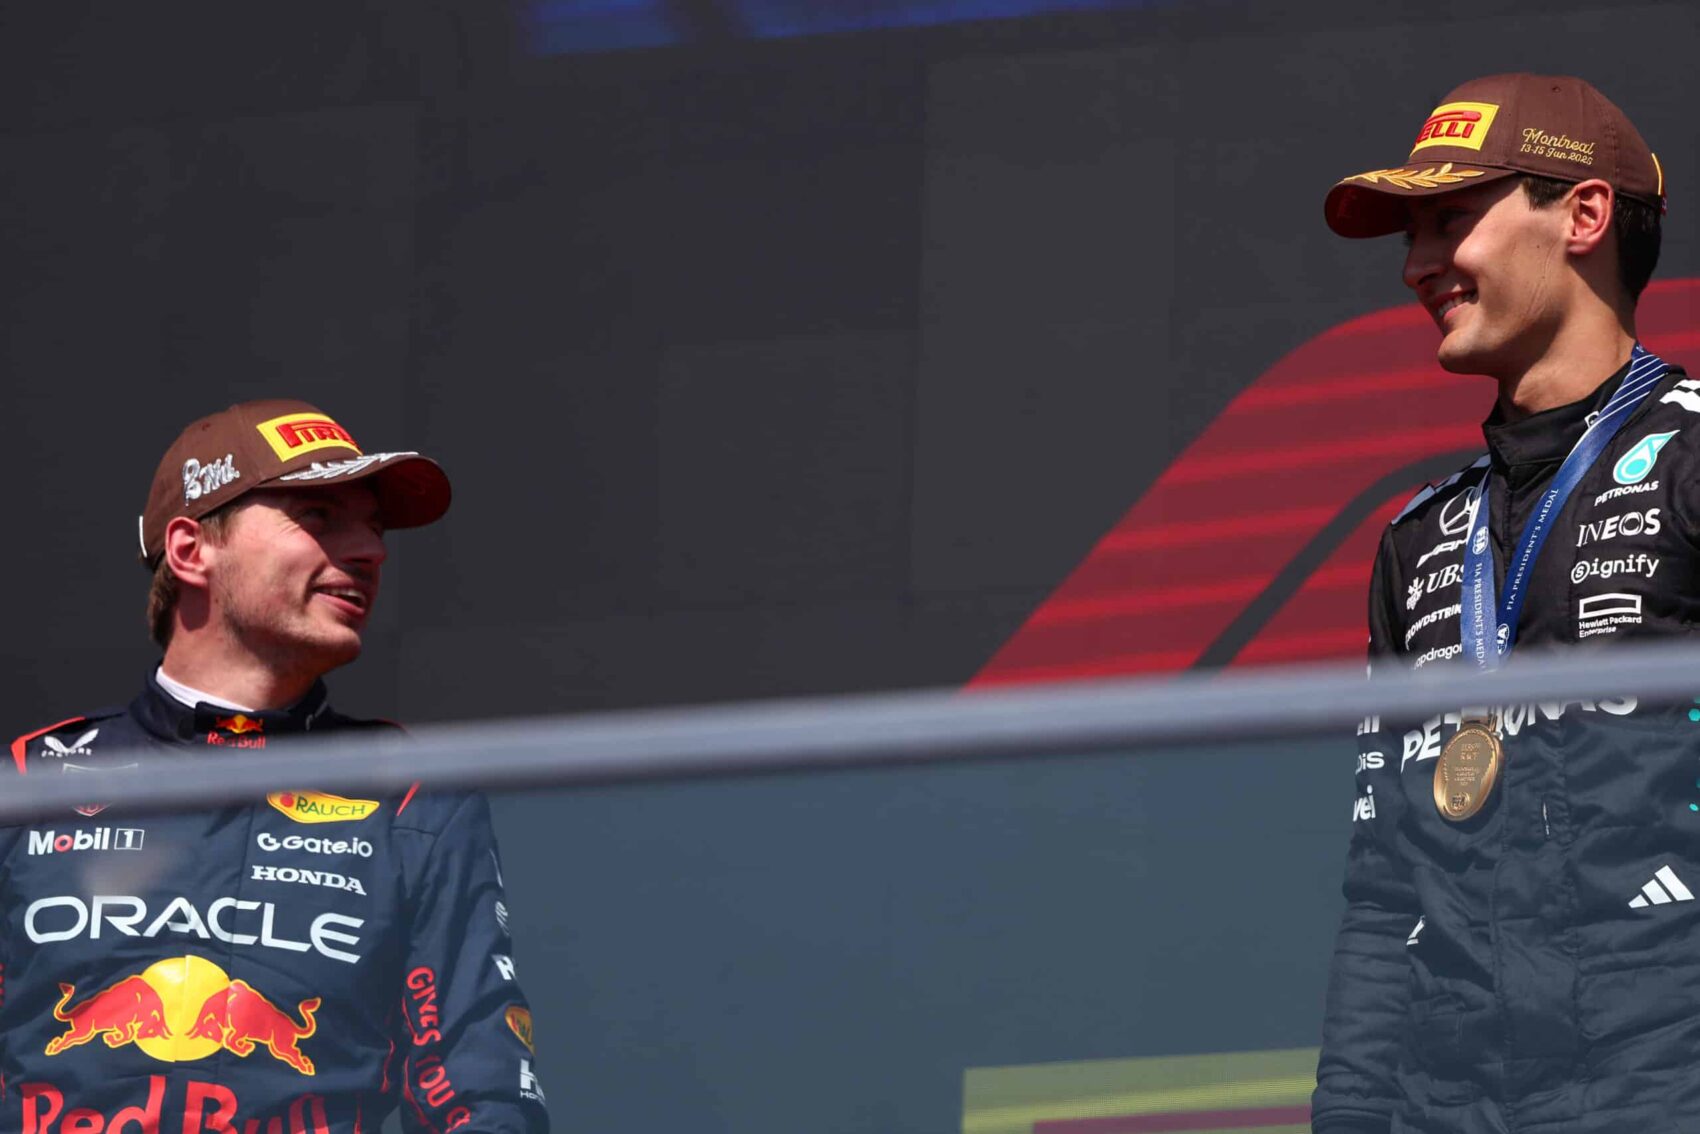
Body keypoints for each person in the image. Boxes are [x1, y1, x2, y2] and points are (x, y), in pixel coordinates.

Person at [1312, 74, 1699, 1133]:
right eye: (1411, 236)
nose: (1416, 265)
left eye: (1449, 222)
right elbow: (1384, 891)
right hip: (1452, 1106)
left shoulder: (1691, 465)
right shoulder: (1419, 538)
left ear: (1584, 215)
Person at [0, 400, 549, 1134]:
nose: (370, 552)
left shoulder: (410, 796)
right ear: (192, 550)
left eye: (375, 529)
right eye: (320, 517)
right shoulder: (26, 783)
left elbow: (482, 1092)